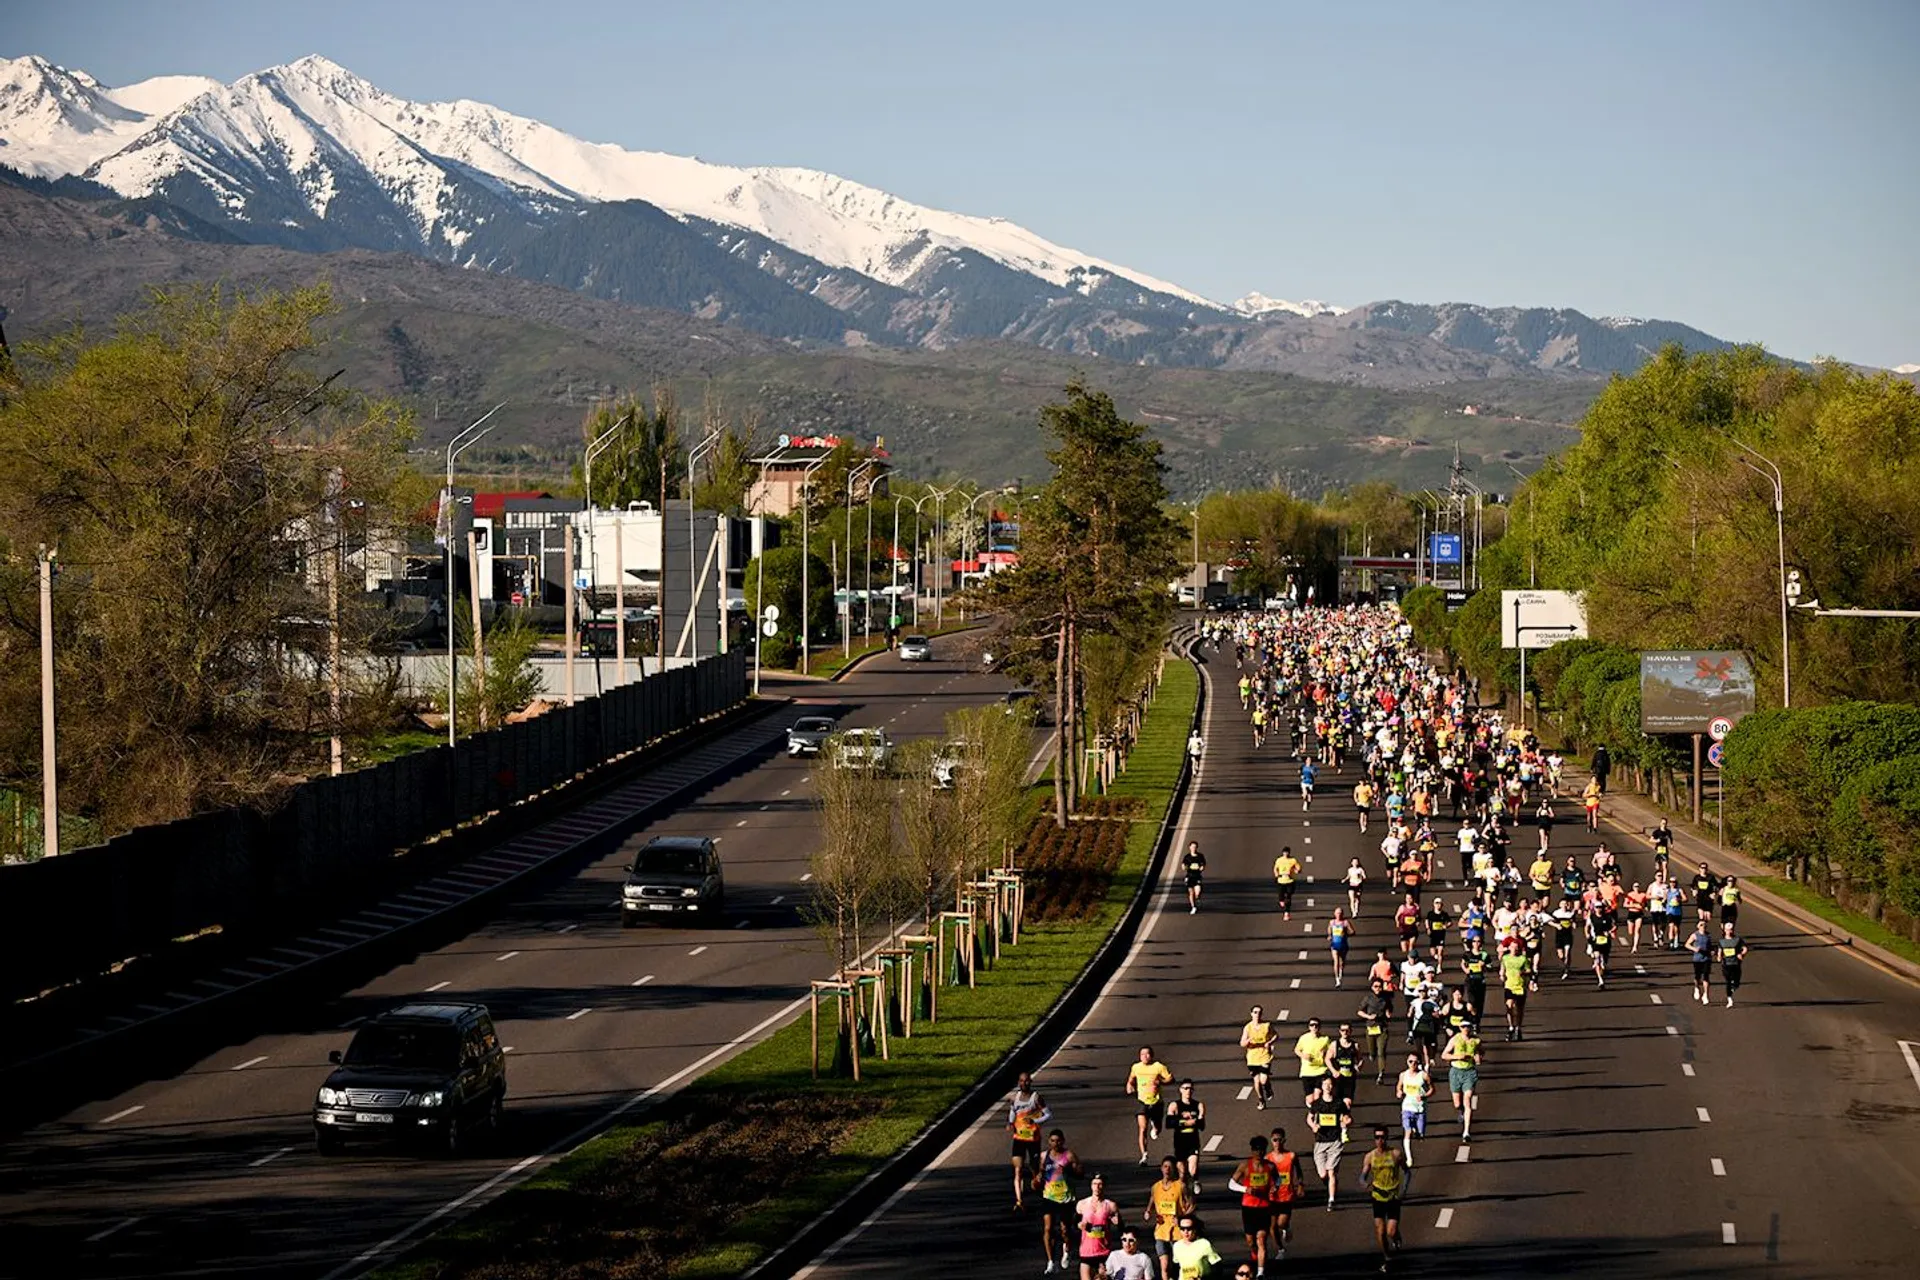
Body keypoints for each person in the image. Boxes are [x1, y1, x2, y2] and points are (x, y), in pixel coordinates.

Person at [1360, 1126, 1410, 1272]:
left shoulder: (1395, 1154)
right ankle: (1387, 1258)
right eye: (1377, 1137)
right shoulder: (1370, 1156)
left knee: (1391, 1231)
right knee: (1380, 1231)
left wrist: (1404, 1190)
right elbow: (1363, 1175)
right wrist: (1364, 1183)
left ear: (1386, 1138)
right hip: (1378, 1197)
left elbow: (1407, 1172)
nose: (1380, 1140)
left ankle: (1396, 1237)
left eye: (1382, 1137)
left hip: (1393, 1197)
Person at [1227, 1135, 1277, 1276]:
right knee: (1251, 1241)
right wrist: (1245, 1189)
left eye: (1261, 1150)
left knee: (1261, 1239)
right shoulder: (1245, 1166)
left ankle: (1260, 1272)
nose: (1259, 1153)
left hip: (1264, 1207)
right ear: (1252, 1150)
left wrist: (1275, 1188)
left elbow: (1277, 1180)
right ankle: (1253, 1251)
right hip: (1249, 1207)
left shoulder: (1270, 1166)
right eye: (1256, 1149)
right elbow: (1231, 1184)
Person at [1036, 1129, 1084, 1272]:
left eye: (1058, 1141)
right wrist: (1038, 1179)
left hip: (1065, 1198)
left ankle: (1067, 1250)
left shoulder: (1069, 1156)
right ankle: (1050, 1261)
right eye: (1052, 1141)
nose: (1055, 1143)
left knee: (1065, 1230)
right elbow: (1040, 1173)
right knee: (1048, 1229)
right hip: (1049, 1197)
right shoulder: (1044, 1156)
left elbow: (1081, 1174)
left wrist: (1070, 1170)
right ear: (1048, 1142)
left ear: (1062, 1141)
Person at [1008, 1069, 1054, 1209]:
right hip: (1019, 1138)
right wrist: (1010, 1123)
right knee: (1018, 1168)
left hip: (1033, 1139)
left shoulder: (1036, 1098)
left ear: (1030, 1082)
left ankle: (1040, 1187)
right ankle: (1019, 1200)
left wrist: (1035, 1122)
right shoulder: (1014, 1098)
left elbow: (1048, 1114)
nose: (1024, 1083)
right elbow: (1012, 1112)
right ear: (1018, 1082)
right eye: (1021, 1081)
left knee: (1035, 1168)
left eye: (1027, 1080)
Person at [1144, 1157, 1194, 1280]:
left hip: (1178, 1232)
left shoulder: (1180, 1186)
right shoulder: (1155, 1187)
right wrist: (1148, 1212)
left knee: (1179, 1265)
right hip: (1160, 1231)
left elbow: (1192, 1205)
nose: (1167, 1169)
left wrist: (1182, 1219)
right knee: (1164, 1266)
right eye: (1165, 1166)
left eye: (1170, 1167)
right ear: (1161, 1168)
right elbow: (1152, 1200)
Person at [1127, 1047, 1175, 1164]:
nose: (1144, 1056)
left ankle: (1155, 1126)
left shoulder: (1158, 1067)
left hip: (1156, 1102)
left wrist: (1161, 1082)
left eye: (1147, 1054)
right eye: (1142, 1054)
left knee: (1158, 1127)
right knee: (1142, 1128)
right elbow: (1131, 1079)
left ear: (1152, 1056)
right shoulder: (1136, 1067)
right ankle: (1144, 1155)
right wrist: (1129, 1085)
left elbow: (1171, 1079)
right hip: (1141, 1101)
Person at [1264, 1127, 1305, 1262]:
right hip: (1272, 1197)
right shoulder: (1267, 1158)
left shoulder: (1291, 1156)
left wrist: (1300, 1185)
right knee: (1272, 1226)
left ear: (1284, 1140)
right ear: (1271, 1141)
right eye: (1274, 1140)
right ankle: (1280, 1249)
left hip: (1286, 1195)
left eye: (1279, 1140)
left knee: (1281, 1223)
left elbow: (1299, 1172)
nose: (1277, 1143)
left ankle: (1286, 1228)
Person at [1307, 1077, 1346, 1210]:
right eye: (1325, 1084)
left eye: (1330, 1084)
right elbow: (1309, 1118)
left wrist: (1345, 1122)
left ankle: (1331, 1200)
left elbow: (1348, 1117)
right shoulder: (1317, 1104)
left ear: (1332, 1087)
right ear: (1322, 1087)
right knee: (1323, 1174)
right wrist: (1313, 1126)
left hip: (1335, 1141)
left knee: (1331, 1172)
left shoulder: (1339, 1103)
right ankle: (1330, 1184)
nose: (1328, 1087)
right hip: (1320, 1142)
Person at [1440, 1020, 1481, 1142]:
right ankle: (1461, 1111)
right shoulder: (1454, 1039)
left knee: (1467, 1099)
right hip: (1456, 1071)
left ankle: (1466, 1132)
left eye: (1468, 1026)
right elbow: (1444, 1055)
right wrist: (1457, 1057)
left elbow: (1480, 1052)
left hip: (1469, 1072)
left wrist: (1478, 1057)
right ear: (1460, 1027)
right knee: (1457, 1103)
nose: (1466, 1029)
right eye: (1463, 1026)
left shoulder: (1476, 1040)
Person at [1166, 1079, 1208, 1190]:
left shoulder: (1198, 1105)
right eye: (1185, 1088)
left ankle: (1195, 1180)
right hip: (1180, 1142)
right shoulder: (1174, 1105)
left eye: (1190, 1088)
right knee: (1182, 1173)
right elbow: (1169, 1123)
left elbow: (1202, 1126)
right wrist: (1185, 1122)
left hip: (1193, 1141)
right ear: (1180, 1090)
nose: (1188, 1091)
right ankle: (1185, 1196)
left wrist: (1199, 1119)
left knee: (1192, 1169)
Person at [1396, 1053, 1430, 1166]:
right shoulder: (1403, 1075)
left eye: (1415, 1062)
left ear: (1419, 1063)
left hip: (1420, 1109)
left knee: (1421, 1135)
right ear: (1407, 1062)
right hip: (1407, 1107)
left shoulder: (1423, 1076)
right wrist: (1399, 1092)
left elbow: (1432, 1089)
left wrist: (1424, 1096)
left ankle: (1417, 1130)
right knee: (1407, 1132)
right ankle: (1409, 1158)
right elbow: (1399, 1086)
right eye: (1410, 1061)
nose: (1413, 1064)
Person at [1241, 1008, 1277, 1111]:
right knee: (1256, 1081)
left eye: (1259, 1012)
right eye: (1255, 1012)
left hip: (1265, 1056)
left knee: (1263, 1079)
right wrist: (1248, 1041)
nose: (1257, 1014)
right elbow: (1242, 1043)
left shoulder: (1266, 1025)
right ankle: (1261, 1099)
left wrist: (1269, 1042)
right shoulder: (1248, 1028)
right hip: (1252, 1058)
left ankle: (1267, 1088)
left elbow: (1275, 1035)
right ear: (1251, 1014)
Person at [1358, 978, 1392, 1082]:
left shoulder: (1386, 998)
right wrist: (1368, 1017)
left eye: (1379, 986)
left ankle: (1381, 1074)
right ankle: (1372, 1054)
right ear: (1372, 987)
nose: (1378, 989)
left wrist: (1388, 1013)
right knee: (1372, 1051)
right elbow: (1359, 1011)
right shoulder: (1368, 998)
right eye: (1375, 986)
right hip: (1371, 1027)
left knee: (1381, 1052)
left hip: (1382, 1028)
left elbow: (1389, 1008)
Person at [1294, 1017, 1332, 1099]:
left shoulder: (1325, 1039)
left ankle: (1317, 1111)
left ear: (1319, 1026)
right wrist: (1303, 1056)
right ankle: (1312, 1107)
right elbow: (1297, 1050)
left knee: (1317, 1096)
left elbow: (1331, 1052)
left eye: (1316, 1025)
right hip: (1307, 1071)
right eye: (1312, 1025)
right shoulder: (1304, 1038)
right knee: (1310, 1099)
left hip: (1320, 1070)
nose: (1314, 1027)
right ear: (1309, 1027)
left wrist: (1325, 1054)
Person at [1500, 938, 1530, 1041]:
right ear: (1509, 948)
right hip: (1509, 985)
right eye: (1512, 947)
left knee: (1519, 1009)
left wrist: (1524, 973)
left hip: (1520, 986)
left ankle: (1518, 1028)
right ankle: (1511, 1027)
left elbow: (1528, 970)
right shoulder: (1505, 958)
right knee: (1509, 1006)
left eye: (1516, 947)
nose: (1514, 949)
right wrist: (1502, 976)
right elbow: (1502, 970)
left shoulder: (1523, 959)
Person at [1719, 921, 1749, 1007]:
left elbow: (1745, 948)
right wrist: (1719, 957)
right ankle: (1729, 999)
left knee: (1736, 982)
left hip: (1736, 963)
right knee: (1728, 981)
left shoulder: (1737, 940)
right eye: (1727, 930)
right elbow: (1720, 950)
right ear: (1724, 930)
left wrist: (1742, 954)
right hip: (1726, 964)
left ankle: (1734, 987)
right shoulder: (1721, 941)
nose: (1729, 931)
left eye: (1731, 930)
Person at [1687, 919, 1714, 1004]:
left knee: (1706, 976)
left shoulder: (1708, 936)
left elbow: (1711, 946)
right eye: (1701, 925)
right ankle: (1696, 988)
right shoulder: (1695, 935)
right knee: (1697, 977)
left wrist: (1712, 951)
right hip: (1697, 959)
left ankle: (1706, 994)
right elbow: (1687, 944)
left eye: (1705, 925)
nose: (1703, 927)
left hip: (1707, 958)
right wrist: (1694, 949)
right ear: (1698, 926)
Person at [1273, 847, 1302, 921]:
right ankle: (1281, 900)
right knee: (1281, 897)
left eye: (1287, 852)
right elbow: (1275, 868)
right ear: (1283, 853)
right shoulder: (1279, 860)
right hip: (1281, 880)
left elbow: (1298, 868)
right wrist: (1276, 874)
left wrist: (1297, 870)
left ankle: (1286, 913)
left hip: (1290, 880)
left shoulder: (1293, 860)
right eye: (1284, 852)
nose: (1286, 854)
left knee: (1288, 897)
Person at [1327, 908, 1354, 986]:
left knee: (1342, 962)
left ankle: (1341, 973)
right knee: (1336, 962)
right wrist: (1329, 935)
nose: (1339, 914)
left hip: (1343, 945)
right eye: (1337, 913)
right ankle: (1337, 979)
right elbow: (1329, 929)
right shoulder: (1332, 922)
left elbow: (1352, 932)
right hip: (1334, 945)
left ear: (1343, 914)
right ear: (1334, 914)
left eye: (1340, 913)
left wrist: (1346, 934)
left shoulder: (1345, 922)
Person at [1184, 841, 1207, 915]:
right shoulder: (1187, 857)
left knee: (1197, 892)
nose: (1193, 848)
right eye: (1192, 847)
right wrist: (1184, 867)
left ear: (1197, 848)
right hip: (1189, 876)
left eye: (1195, 847)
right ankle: (1193, 907)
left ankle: (1197, 897)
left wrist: (1201, 868)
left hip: (1197, 876)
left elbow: (1203, 864)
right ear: (1189, 847)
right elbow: (1183, 864)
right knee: (1191, 893)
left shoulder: (1200, 856)